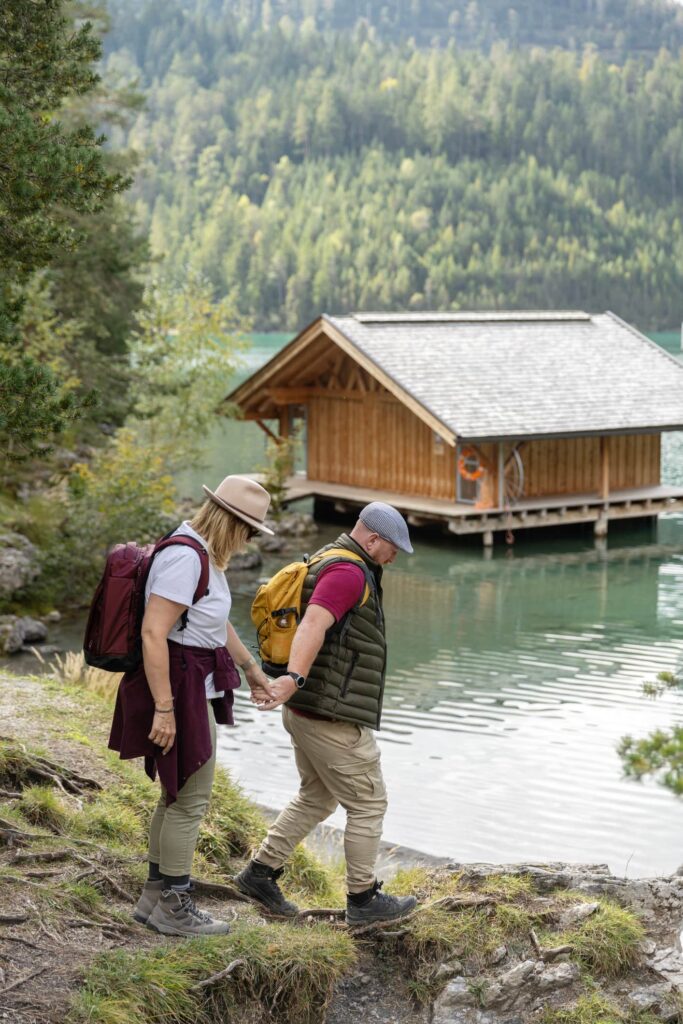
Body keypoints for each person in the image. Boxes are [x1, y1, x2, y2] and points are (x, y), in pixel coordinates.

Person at [235, 502, 418, 925]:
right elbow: (313, 623)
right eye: (392, 549)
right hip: (326, 712)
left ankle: (260, 874)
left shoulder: (325, 560)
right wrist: (293, 678)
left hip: (307, 709)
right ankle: (363, 900)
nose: (395, 557)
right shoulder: (348, 572)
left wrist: (293, 687)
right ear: (372, 539)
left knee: (317, 796)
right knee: (369, 803)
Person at [108, 475, 274, 937]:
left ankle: (154, 898)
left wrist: (252, 671)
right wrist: (165, 708)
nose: (248, 541)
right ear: (230, 522)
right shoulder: (186, 558)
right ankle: (175, 906)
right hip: (179, 689)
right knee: (190, 798)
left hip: (188, 684)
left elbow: (214, 624)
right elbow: (153, 633)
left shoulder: (202, 555)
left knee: (176, 792)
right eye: (248, 530)